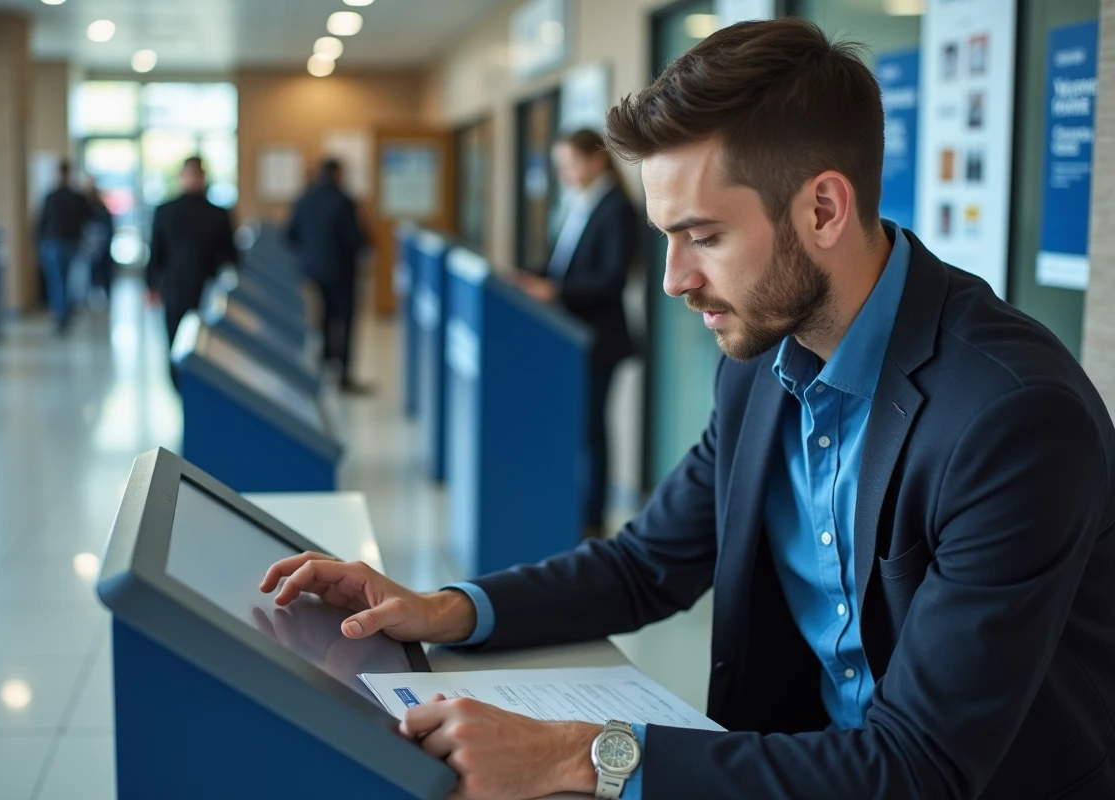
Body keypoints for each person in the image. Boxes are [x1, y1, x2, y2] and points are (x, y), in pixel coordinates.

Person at [260, 19, 1115, 800]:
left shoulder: (1012, 420)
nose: (674, 280)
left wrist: (578, 755)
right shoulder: (761, 361)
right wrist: (440, 608)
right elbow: (646, 564)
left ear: (823, 209)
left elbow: (920, 767)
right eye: (667, 236)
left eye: (704, 236)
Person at [516, 129, 638, 539]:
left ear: (597, 159)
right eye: (560, 166)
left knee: (592, 431)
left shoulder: (615, 208)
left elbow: (612, 279)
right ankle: (576, 508)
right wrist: (525, 277)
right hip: (571, 337)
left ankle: (593, 517)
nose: (565, 173)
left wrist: (554, 290)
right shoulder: (579, 203)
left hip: (599, 339)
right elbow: (562, 265)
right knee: (579, 427)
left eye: (570, 163)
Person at [146, 156, 238, 385]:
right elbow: (231, 258)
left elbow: (156, 254)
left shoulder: (165, 211)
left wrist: (151, 285)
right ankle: (193, 388)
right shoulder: (217, 214)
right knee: (201, 346)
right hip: (205, 288)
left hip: (178, 288)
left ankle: (180, 385)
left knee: (177, 343)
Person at [286, 158, 371, 394]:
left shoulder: (304, 199)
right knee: (344, 322)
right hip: (342, 273)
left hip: (312, 272)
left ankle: (323, 365)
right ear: (336, 174)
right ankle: (343, 375)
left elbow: (290, 235)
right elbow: (355, 240)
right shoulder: (344, 201)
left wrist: (309, 252)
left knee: (321, 319)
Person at [36, 159, 92, 334]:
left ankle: (62, 313)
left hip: (64, 243)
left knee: (63, 281)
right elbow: (42, 222)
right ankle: (63, 313)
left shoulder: (57, 196)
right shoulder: (70, 197)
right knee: (62, 281)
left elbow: (42, 223)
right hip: (60, 243)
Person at [83, 177, 115, 307]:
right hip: (94, 245)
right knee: (96, 271)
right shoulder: (87, 208)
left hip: (98, 245)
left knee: (100, 270)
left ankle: (101, 294)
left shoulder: (100, 209)